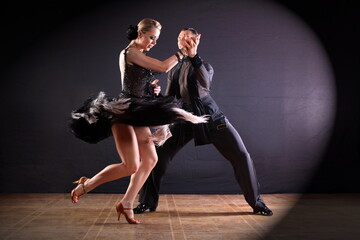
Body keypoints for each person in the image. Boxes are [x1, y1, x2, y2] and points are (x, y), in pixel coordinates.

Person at [69, 19, 207, 225]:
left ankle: (126, 203)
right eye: (151, 37)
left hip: (138, 111)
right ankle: (85, 186)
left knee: (151, 160)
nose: (153, 42)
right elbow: (162, 67)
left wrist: (151, 90)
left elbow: (135, 84)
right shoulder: (131, 52)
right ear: (140, 33)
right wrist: (184, 52)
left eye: (156, 39)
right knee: (131, 165)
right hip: (125, 113)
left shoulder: (139, 54)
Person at [134, 28, 273, 216]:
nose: (182, 39)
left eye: (187, 37)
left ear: (196, 39)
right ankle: (147, 202)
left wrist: (194, 56)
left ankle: (257, 204)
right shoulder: (173, 68)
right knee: (156, 156)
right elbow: (170, 98)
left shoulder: (205, 66)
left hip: (210, 118)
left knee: (241, 155)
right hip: (183, 120)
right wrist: (154, 94)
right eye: (179, 37)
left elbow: (205, 84)